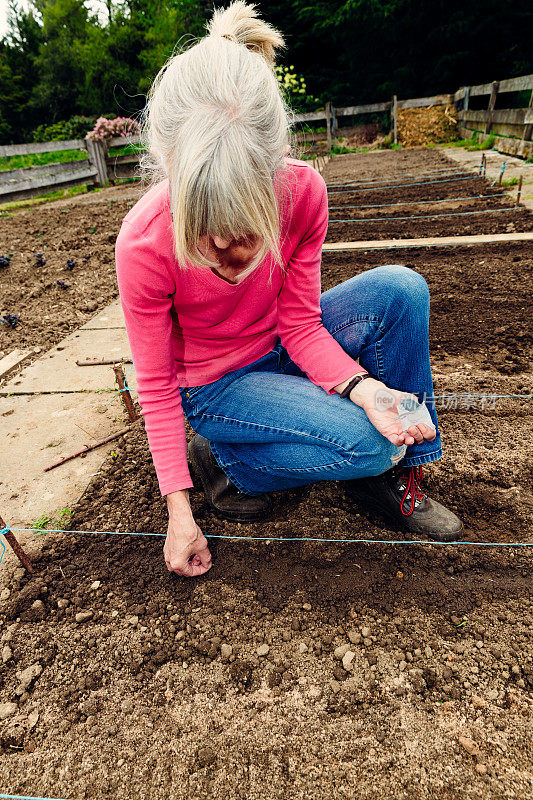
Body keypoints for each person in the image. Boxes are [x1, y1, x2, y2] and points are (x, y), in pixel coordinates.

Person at [115, 1, 464, 579]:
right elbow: (153, 383)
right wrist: (178, 508)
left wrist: (364, 389)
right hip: (217, 384)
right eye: (207, 232)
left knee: (401, 291)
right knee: (370, 443)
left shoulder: (304, 193)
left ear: (275, 166)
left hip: (280, 341)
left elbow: (300, 321)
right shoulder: (144, 245)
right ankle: (229, 463)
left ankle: (401, 477)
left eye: (249, 226)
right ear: (173, 172)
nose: (230, 249)